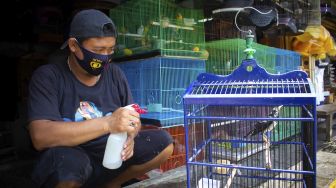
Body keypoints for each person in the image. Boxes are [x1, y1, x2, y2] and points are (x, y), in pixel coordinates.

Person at [27, 9, 174, 188]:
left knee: (163, 142)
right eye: (98, 50)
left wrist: (131, 136)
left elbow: (132, 118)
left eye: (110, 50)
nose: (105, 57)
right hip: (73, 157)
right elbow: (40, 136)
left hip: (110, 155)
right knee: (68, 164)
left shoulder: (114, 74)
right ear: (73, 45)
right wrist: (108, 123)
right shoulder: (49, 77)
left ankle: (111, 184)